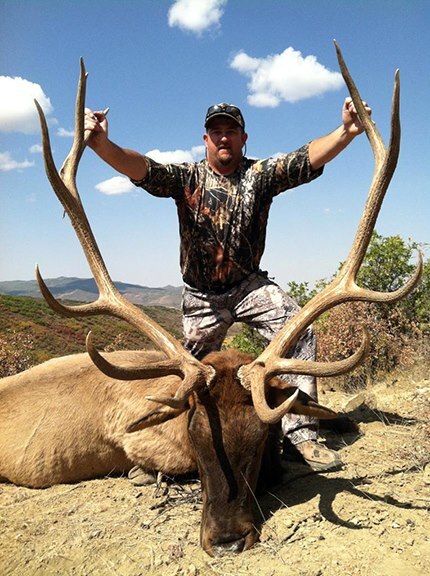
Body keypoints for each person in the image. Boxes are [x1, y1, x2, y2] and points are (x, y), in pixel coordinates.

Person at [84, 97, 371, 472]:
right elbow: (142, 168)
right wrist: (102, 145)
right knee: (188, 371)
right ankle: (175, 443)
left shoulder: (260, 175)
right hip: (202, 296)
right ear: (205, 139)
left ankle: (301, 436)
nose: (223, 137)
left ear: (243, 138)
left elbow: (305, 159)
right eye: (216, 131)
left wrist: (347, 131)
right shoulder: (186, 179)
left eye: (231, 131)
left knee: (300, 331)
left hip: (249, 286)